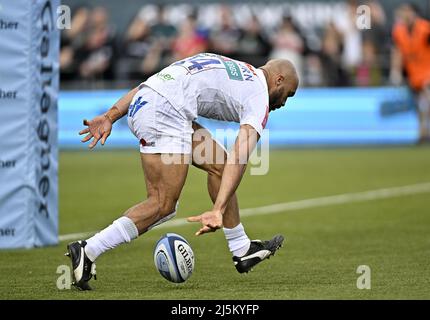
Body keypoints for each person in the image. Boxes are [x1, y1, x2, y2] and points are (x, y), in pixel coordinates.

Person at [65, 52, 298, 290]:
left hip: (152, 101)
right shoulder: (259, 96)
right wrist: (217, 210)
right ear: (278, 80)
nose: (284, 103)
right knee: (163, 205)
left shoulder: (234, 68)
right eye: (288, 94)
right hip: (166, 111)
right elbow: (241, 155)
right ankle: (88, 249)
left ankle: (242, 248)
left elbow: (152, 83)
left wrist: (110, 116)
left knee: (219, 165)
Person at [391, 3, 430, 143]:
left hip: (428, 72)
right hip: (413, 75)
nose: (405, 15)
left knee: (427, 100)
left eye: (407, 12)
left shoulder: (425, 28)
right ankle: (422, 133)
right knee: (418, 106)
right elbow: (397, 52)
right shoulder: (398, 31)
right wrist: (395, 72)